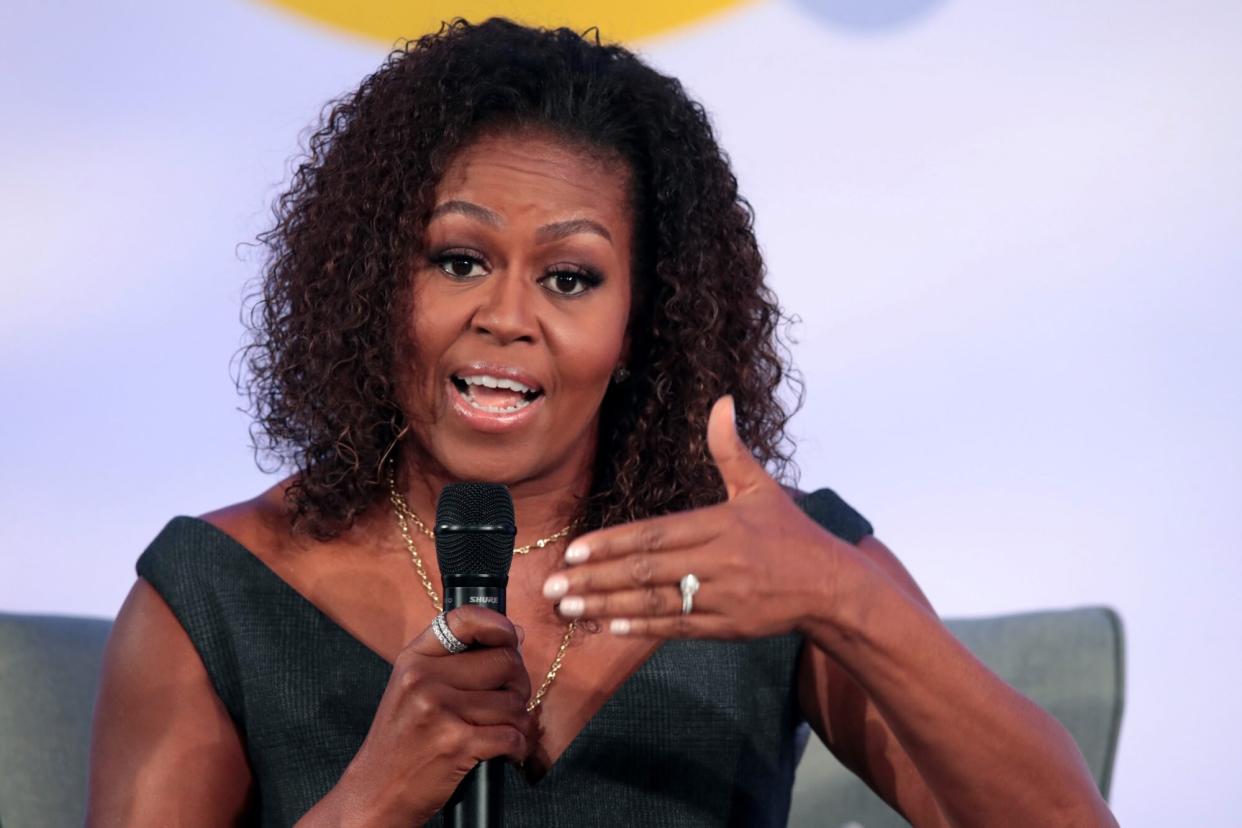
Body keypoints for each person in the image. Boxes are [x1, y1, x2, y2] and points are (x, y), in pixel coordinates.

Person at [86, 17, 1116, 828]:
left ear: (641, 321)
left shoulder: (776, 566)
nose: (507, 316)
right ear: (370, 286)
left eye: (571, 277)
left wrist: (847, 600)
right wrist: (374, 800)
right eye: (459, 260)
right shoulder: (216, 595)